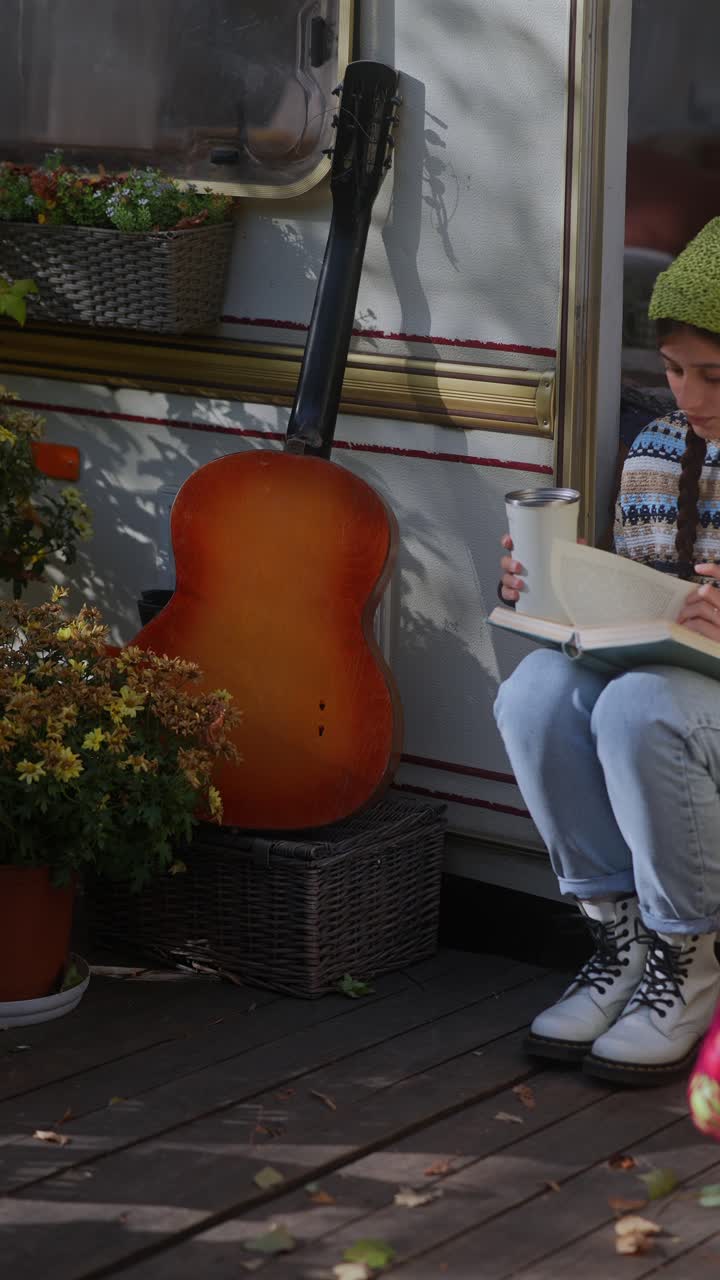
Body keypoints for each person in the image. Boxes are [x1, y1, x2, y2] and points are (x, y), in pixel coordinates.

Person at [494, 216, 720, 1085]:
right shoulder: (659, 450)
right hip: (673, 685)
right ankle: (620, 939)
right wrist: (552, 587)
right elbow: (639, 600)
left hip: (682, 706)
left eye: (712, 374)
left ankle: (689, 957)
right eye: (672, 370)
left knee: (639, 706)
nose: (687, 396)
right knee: (534, 693)